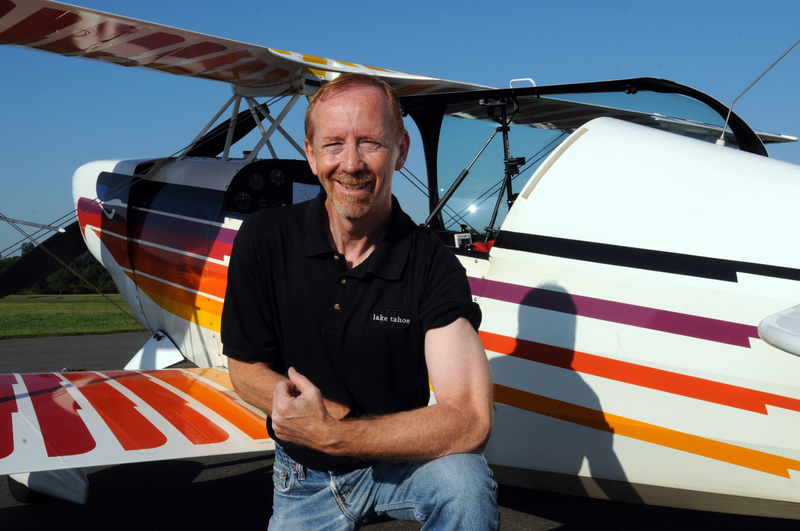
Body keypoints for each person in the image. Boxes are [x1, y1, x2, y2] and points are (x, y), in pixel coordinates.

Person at [221, 73, 499, 530]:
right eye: (333, 144)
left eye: (370, 142)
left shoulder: (432, 264)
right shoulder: (264, 237)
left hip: (399, 465)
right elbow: (245, 368)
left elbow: (470, 420)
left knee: (465, 483)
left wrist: (334, 433)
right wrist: (317, 427)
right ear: (310, 154)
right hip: (302, 479)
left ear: (401, 150)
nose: (351, 163)